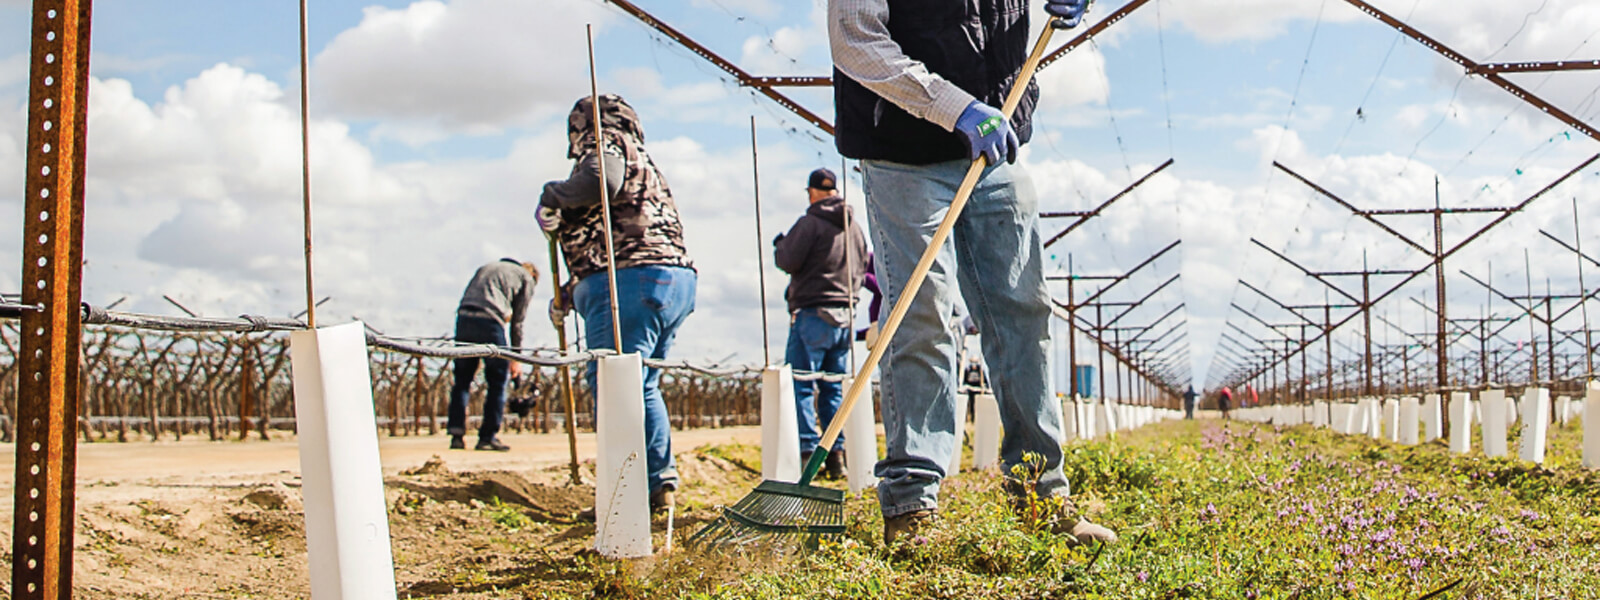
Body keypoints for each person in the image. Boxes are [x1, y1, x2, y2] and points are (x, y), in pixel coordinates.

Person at [830, 0, 1114, 546]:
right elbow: (854, 38)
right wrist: (954, 107)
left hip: (995, 151)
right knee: (923, 313)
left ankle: (1039, 491)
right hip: (903, 150)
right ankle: (913, 500)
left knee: (1023, 313)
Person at [539, 94, 696, 514]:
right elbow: (619, 223)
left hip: (628, 280)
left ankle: (622, 496)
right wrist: (574, 291)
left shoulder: (607, 143)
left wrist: (552, 194)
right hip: (668, 279)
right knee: (641, 387)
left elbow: (599, 184)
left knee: (616, 388)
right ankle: (657, 484)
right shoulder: (644, 161)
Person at [774, 167, 868, 481]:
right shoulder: (854, 226)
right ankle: (836, 456)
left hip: (812, 313)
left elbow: (788, 260)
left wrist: (780, 245)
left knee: (801, 385)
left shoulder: (809, 222)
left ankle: (807, 455)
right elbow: (864, 265)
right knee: (832, 389)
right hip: (845, 316)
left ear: (812, 192)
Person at [448, 258, 538, 451]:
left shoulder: (488, 267)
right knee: (498, 382)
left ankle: (456, 435)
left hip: (464, 318)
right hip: (490, 321)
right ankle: (488, 437)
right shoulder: (526, 278)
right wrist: (516, 358)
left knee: (462, 380)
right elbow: (517, 322)